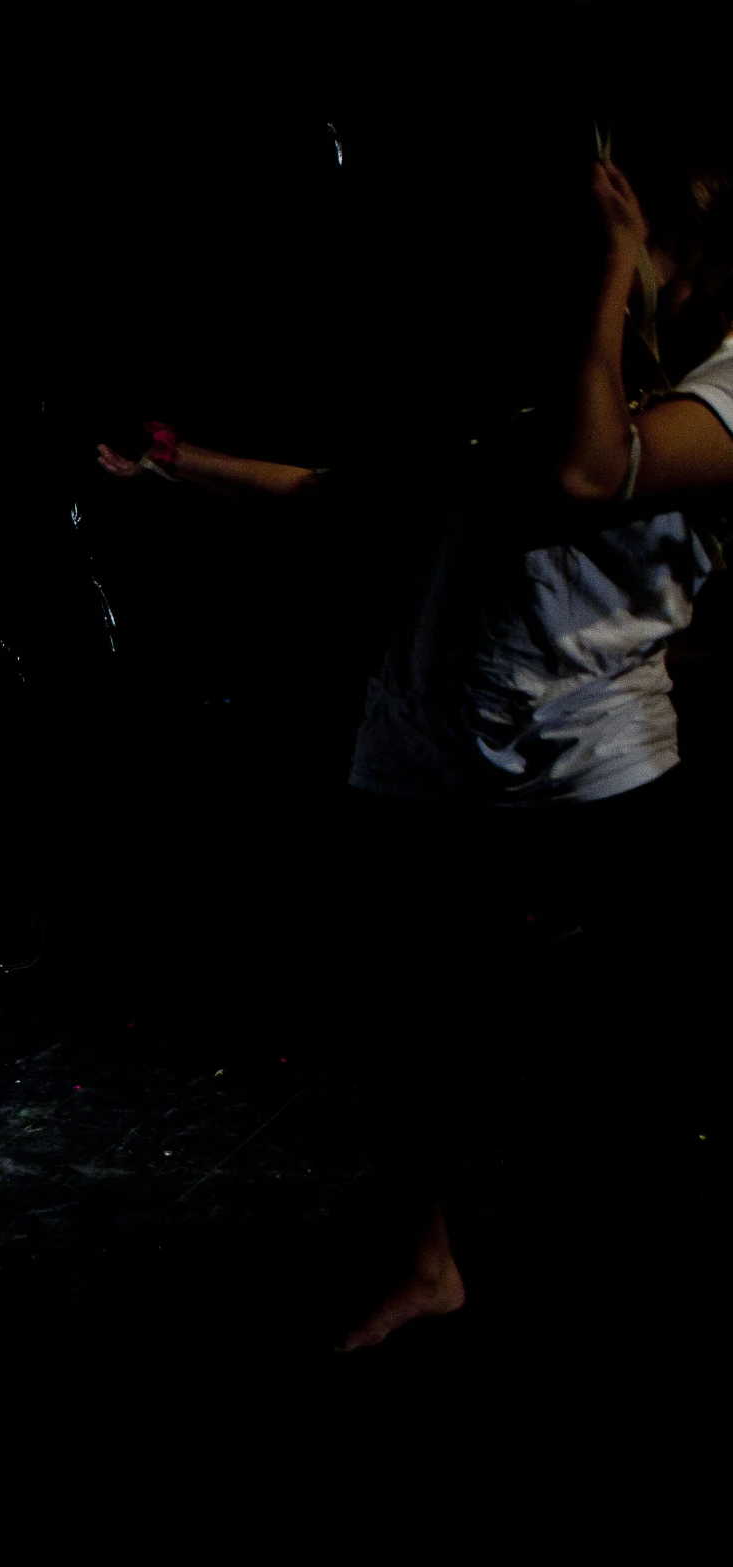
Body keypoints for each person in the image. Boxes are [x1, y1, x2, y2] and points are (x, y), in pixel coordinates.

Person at [97, 155, 731, 1349]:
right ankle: (425, 1263)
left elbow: (592, 474)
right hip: (419, 751)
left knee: (606, 1048)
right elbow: (330, 499)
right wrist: (173, 464)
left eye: (633, 251)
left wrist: (605, 277)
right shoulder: (539, 395)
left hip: (584, 763)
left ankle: (628, 1261)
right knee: (404, 1033)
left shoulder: (717, 390)